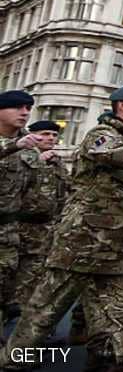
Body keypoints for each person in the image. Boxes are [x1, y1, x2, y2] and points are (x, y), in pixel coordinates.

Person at [1, 86, 123, 372]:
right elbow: (119, 155)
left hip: (122, 246)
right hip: (83, 243)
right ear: (122, 106)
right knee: (44, 311)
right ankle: (14, 360)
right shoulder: (102, 136)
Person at [7, 118, 71, 316]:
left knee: (35, 281)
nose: (50, 138)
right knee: (9, 278)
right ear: (32, 136)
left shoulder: (57, 161)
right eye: (44, 134)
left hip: (46, 230)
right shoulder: (19, 155)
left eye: (54, 135)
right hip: (20, 226)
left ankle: (27, 331)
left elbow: (67, 188)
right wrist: (38, 163)